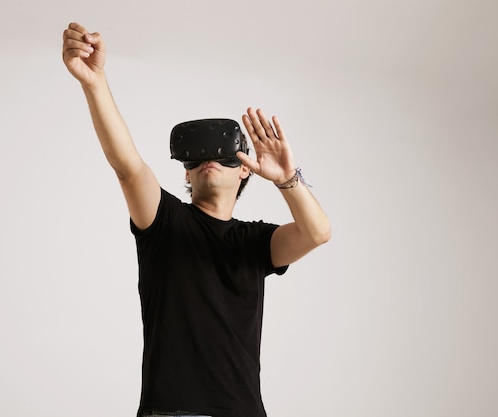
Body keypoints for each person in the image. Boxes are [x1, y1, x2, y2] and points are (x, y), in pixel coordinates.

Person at [61, 22, 331, 417]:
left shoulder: (256, 243)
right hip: (171, 410)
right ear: (186, 173)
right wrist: (94, 82)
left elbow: (318, 233)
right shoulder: (163, 223)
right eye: (197, 157)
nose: (209, 159)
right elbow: (128, 167)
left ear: (245, 171)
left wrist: (287, 179)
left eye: (226, 155)